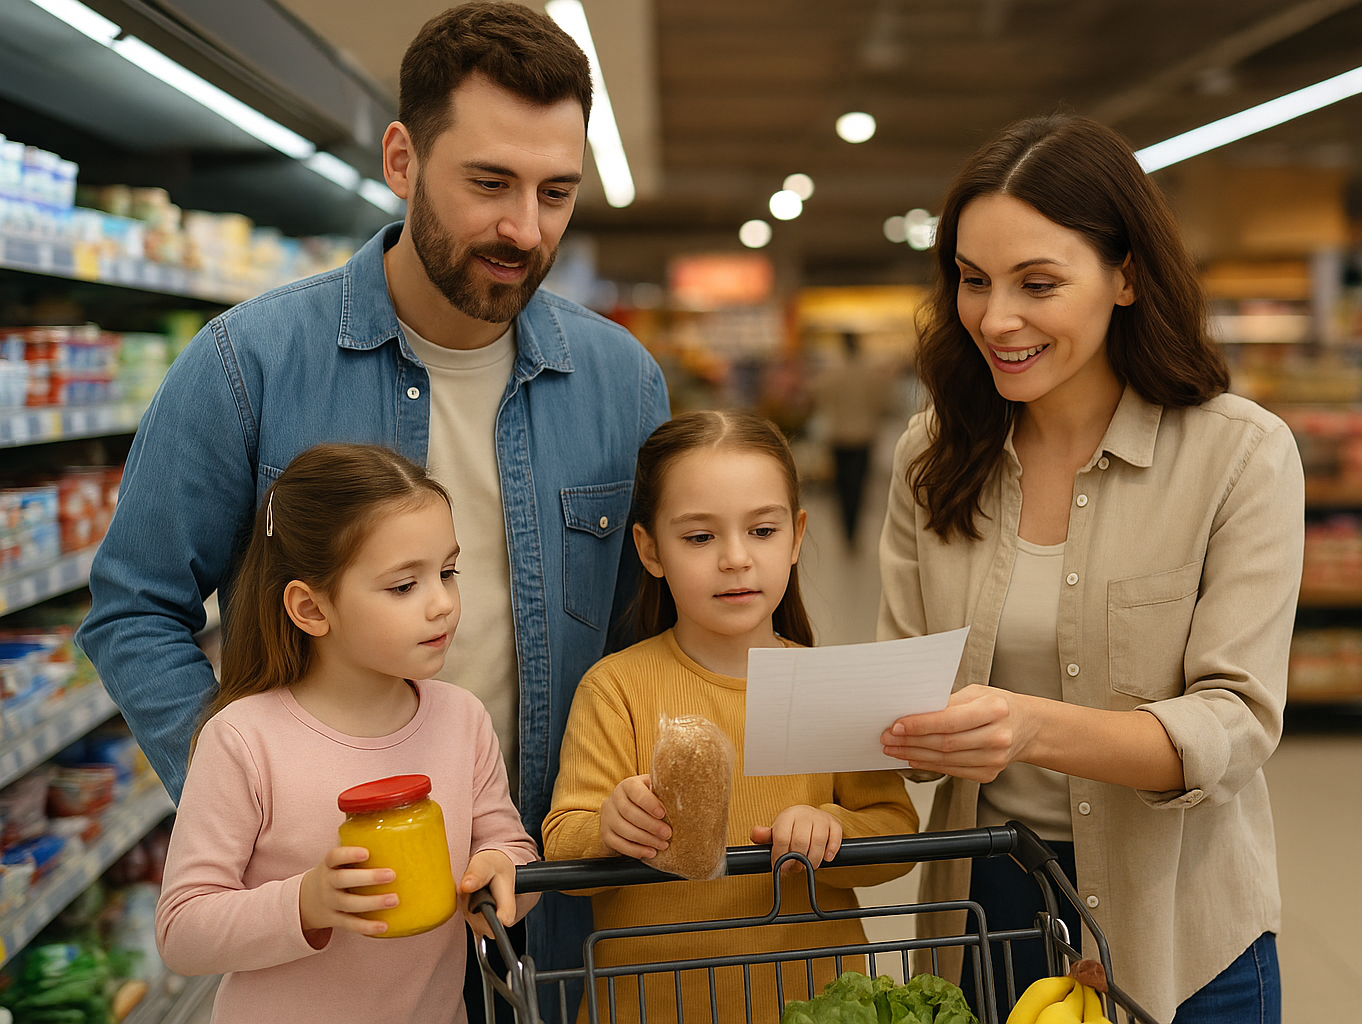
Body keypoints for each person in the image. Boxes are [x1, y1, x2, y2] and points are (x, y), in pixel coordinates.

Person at [76, 2, 668, 1006]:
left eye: (555, 191)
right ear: (402, 159)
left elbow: (644, 627)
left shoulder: (624, 381)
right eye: (488, 183)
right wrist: (256, 800)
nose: (525, 228)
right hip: (343, 923)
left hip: (552, 893)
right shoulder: (246, 367)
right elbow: (134, 606)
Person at [875, 114, 1301, 1023]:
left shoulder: (1239, 455)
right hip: (978, 912)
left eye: (1039, 284)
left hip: (1180, 923)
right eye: (973, 280)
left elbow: (1235, 722)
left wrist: (1027, 728)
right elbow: (899, 684)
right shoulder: (933, 455)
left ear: (1127, 276)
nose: (997, 319)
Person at [543, 410, 919, 1023]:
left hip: (813, 1005)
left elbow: (898, 837)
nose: (736, 559)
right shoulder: (617, 687)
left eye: (762, 532)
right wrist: (610, 826)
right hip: (649, 1007)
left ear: (797, 537)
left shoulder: (827, 686)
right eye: (699, 537)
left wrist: (833, 826)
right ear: (650, 549)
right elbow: (565, 851)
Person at [155, 443, 540, 1024]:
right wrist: (306, 902)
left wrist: (501, 876)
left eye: (448, 572)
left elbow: (510, 851)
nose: (443, 604)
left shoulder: (462, 719)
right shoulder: (242, 739)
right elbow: (182, 930)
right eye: (404, 586)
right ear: (311, 609)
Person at [811, 331, 893, 545]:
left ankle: (846, 528)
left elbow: (818, 396)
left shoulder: (833, 375)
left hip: (838, 436)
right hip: (865, 436)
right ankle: (854, 529)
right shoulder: (872, 376)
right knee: (859, 484)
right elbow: (884, 403)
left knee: (841, 485)